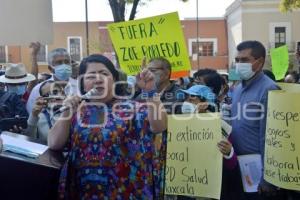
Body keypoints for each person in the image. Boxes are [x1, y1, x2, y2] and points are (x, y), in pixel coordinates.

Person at [48, 54, 167, 199]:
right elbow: (54, 143)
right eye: (91, 76)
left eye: (104, 74)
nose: (98, 79)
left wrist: (150, 91)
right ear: (82, 82)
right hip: (83, 190)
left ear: (115, 80)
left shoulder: (134, 108)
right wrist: (67, 111)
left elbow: (159, 126)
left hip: (126, 191)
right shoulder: (76, 110)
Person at [231, 40, 281, 200]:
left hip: (260, 171)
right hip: (239, 166)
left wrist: (268, 177)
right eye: (237, 60)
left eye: (244, 60)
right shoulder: (238, 89)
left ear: (259, 62)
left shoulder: (269, 89)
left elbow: (271, 137)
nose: (239, 64)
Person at [26, 48, 72, 113]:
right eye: (59, 63)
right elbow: (31, 114)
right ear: (50, 68)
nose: (64, 65)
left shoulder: (79, 87)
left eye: (67, 62)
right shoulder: (38, 90)